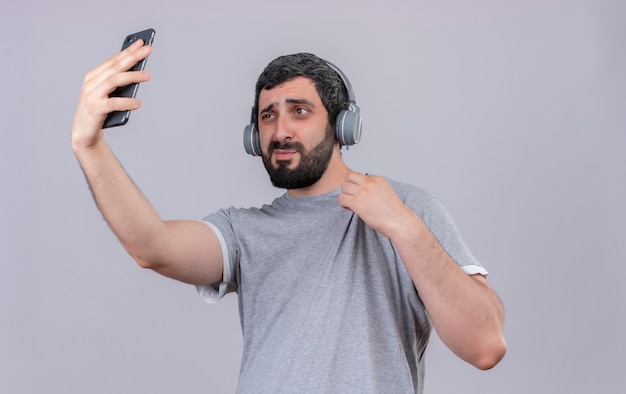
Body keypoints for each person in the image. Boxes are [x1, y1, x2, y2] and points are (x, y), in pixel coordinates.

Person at [71, 40, 506, 393]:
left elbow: (484, 345)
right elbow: (153, 247)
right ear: (252, 137)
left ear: (343, 126)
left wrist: (403, 228)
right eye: (267, 116)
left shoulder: (407, 208)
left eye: (299, 111)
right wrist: (90, 148)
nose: (280, 131)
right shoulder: (244, 231)